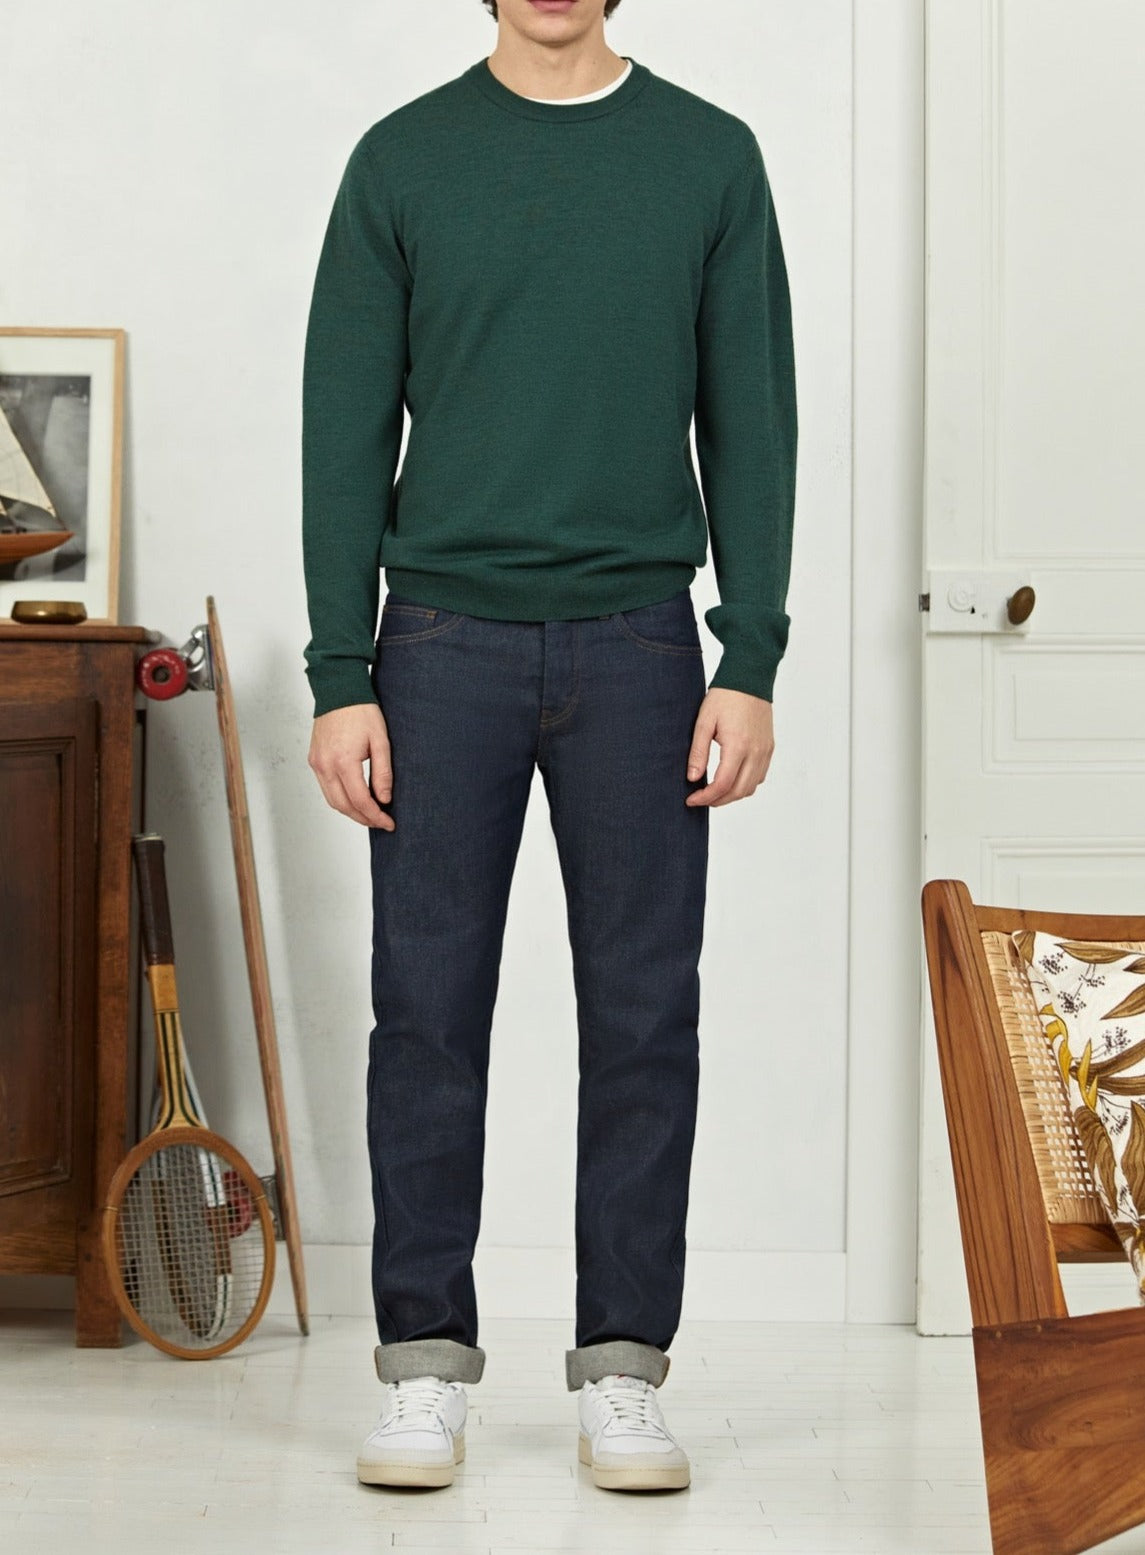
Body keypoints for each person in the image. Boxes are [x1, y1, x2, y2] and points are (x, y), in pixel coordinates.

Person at [301, 0, 797, 1496]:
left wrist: (749, 654)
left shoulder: (708, 157)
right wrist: (340, 672)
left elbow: (751, 420)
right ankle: (423, 1367)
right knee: (424, 1015)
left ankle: (623, 1371)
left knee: (644, 1018)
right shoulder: (403, 158)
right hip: (435, 647)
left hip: (642, 646)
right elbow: (344, 426)